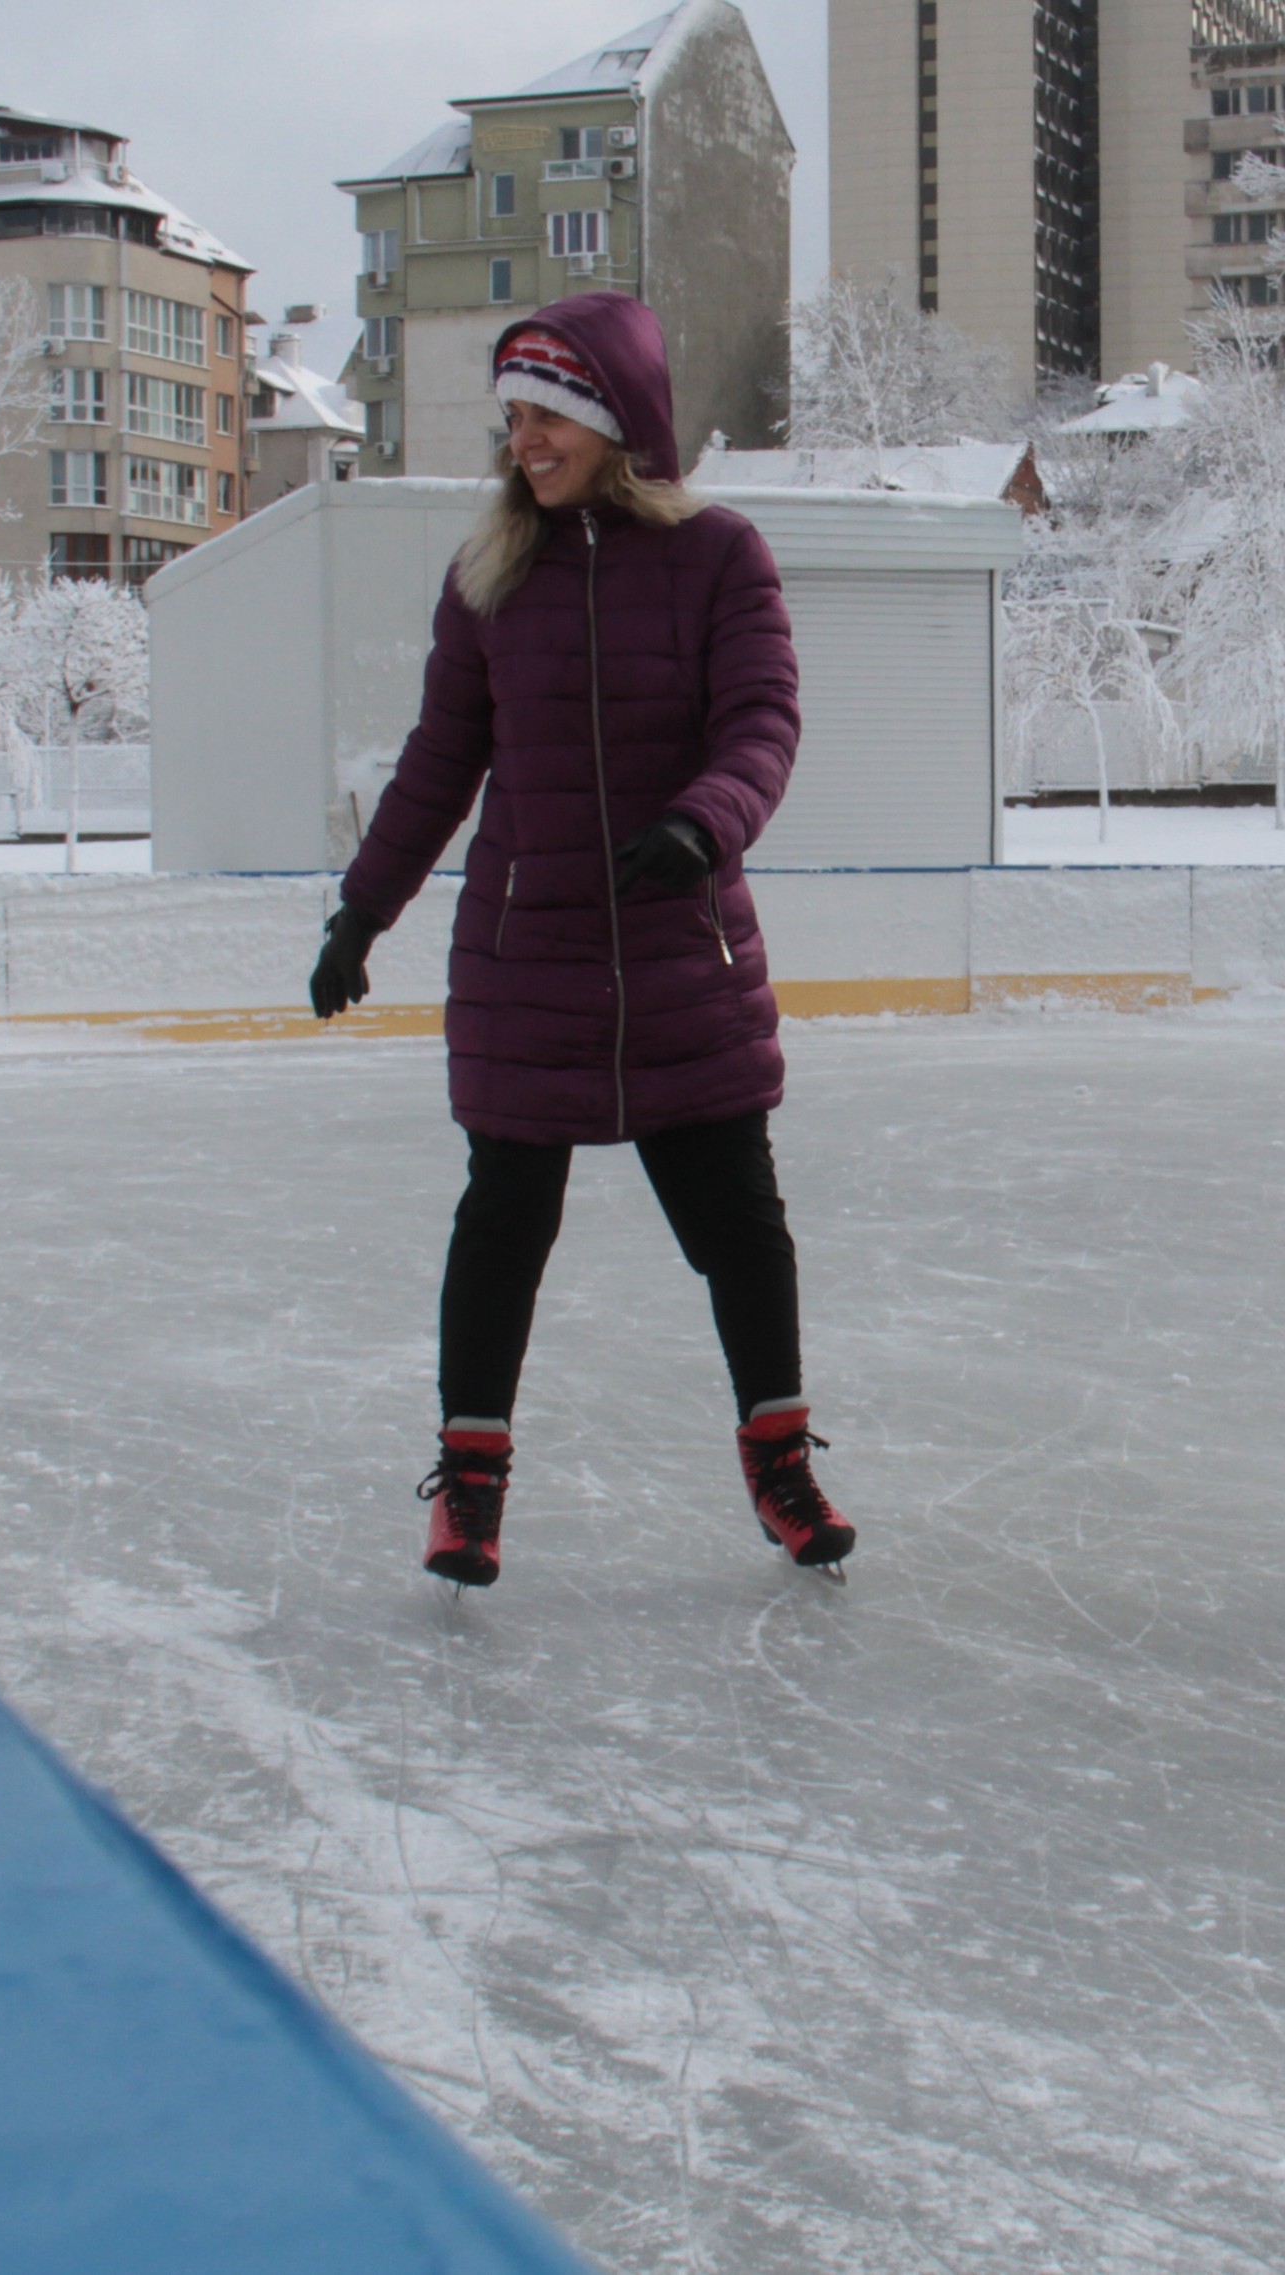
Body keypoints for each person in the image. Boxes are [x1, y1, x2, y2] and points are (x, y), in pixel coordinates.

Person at [305, 292, 855, 1590]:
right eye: (514, 419)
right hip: (528, 958)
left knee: (740, 1226)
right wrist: (362, 909)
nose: (526, 441)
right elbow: (438, 764)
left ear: (620, 420)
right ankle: (469, 1485)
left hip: (681, 953)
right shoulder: (490, 578)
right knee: (502, 1222)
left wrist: (704, 822)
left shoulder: (720, 557)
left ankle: (779, 1461)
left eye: (549, 414)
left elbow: (763, 722)